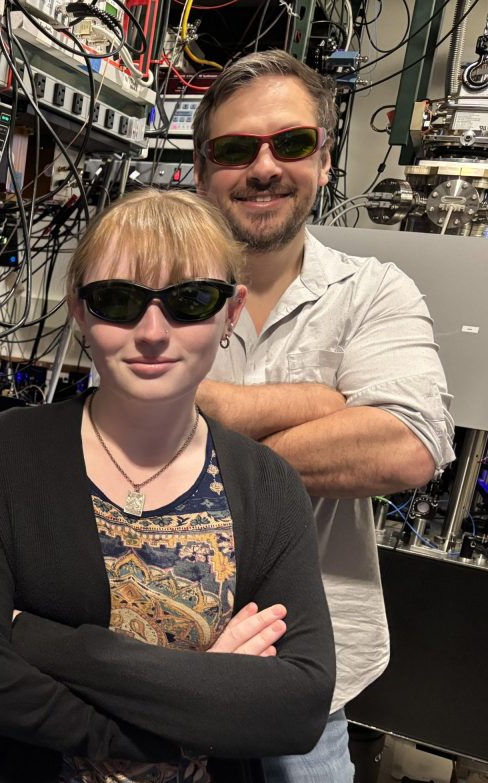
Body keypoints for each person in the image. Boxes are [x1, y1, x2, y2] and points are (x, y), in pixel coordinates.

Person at [0, 189, 335, 783]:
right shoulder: (0, 454)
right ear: (79, 310)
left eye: (190, 301)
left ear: (232, 311)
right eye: (118, 300)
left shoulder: (266, 485)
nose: (151, 332)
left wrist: (38, 641)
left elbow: (294, 708)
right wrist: (197, 705)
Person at [191, 50, 456, 783]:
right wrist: (322, 405)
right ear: (201, 168)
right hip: (160, 658)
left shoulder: (373, 293)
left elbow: (408, 445)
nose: (265, 166)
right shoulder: (157, 289)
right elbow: (115, 439)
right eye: (237, 149)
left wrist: (218, 412)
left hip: (306, 686)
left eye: (292, 143)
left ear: (326, 158)